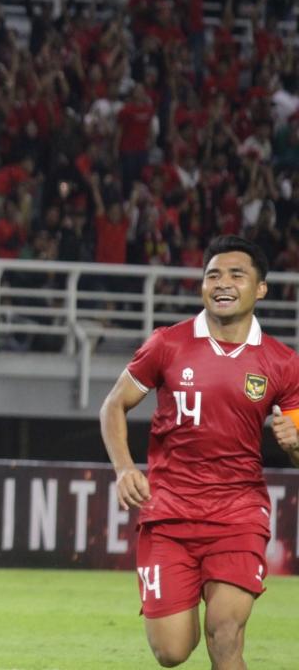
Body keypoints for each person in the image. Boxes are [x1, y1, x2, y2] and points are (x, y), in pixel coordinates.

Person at [99, 235, 299, 669]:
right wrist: (123, 468)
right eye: (213, 275)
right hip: (169, 512)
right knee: (171, 651)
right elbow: (113, 405)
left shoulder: (282, 363)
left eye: (236, 275)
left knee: (225, 633)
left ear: (260, 288)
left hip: (238, 513)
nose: (222, 283)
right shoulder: (167, 344)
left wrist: (296, 443)